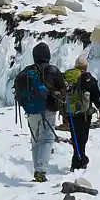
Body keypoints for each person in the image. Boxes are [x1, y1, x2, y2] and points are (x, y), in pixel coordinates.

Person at [13, 42, 66, 181]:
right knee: (47, 138)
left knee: (35, 139)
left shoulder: (26, 71)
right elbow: (63, 89)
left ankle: (37, 169)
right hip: (48, 109)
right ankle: (40, 171)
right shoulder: (52, 70)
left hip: (31, 110)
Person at [62, 53, 100, 170]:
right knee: (82, 138)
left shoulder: (67, 76)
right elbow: (95, 95)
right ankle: (79, 161)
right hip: (84, 114)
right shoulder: (88, 78)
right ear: (85, 67)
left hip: (70, 112)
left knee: (75, 136)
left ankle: (79, 159)